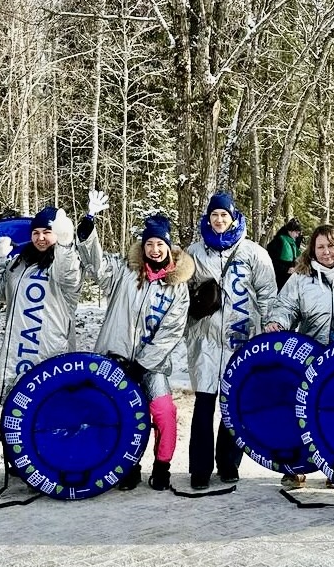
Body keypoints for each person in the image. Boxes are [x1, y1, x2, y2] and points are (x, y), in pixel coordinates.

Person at [75, 191, 194, 492]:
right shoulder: (124, 272)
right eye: (149, 244)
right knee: (120, 413)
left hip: (150, 365)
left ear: (170, 248)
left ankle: (162, 467)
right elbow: (96, 264)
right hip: (114, 360)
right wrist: (89, 226)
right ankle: (127, 466)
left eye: (160, 244)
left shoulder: (177, 287)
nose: (154, 249)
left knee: (164, 413)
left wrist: (142, 364)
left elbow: (172, 330)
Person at [185, 192, 277, 490]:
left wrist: (267, 329)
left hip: (241, 338)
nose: (219, 220)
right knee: (203, 403)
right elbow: (181, 292)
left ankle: (228, 463)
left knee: (232, 403)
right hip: (205, 339)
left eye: (225, 215)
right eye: (215, 215)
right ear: (208, 218)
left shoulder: (254, 252)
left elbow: (266, 294)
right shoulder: (195, 252)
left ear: (234, 217)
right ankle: (199, 468)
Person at [263, 223, 334, 489]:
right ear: (312, 249)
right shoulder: (301, 277)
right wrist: (278, 322)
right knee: (304, 412)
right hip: (311, 356)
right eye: (321, 246)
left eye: (332, 246)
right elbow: (285, 306)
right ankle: (297, 466)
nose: (326, 252)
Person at [0, 206, 82, 403]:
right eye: (36, 233)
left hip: (51, 353)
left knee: (49, 412)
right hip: (17, 354)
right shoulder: (19, 264)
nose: (40, 238)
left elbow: (69, 276)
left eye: (47, 232)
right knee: (13, 412)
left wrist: (65, 246)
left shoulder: (64, 264)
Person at [267, 217, 302, 290]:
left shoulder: (292, 242)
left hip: (289, 278)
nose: (297, 235)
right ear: (290, 231)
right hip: (279, 279)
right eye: (296, 233)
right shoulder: (278, 241)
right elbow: (271, 261)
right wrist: (286, 269)